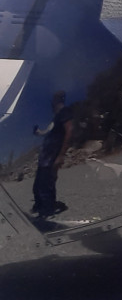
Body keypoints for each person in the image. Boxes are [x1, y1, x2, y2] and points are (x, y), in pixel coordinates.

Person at [32, 90, 72, 219]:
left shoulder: (64, 112)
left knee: (46, 185)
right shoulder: (56, 118)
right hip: (44, 158)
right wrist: (38, 132)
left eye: (54, 99)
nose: (51, 103)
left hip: (51, 157)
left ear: (57, 100)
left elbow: (69, 130)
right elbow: (47, 132)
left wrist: (61, 155)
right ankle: (39, 206)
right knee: (38, 185)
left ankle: (47, 212)